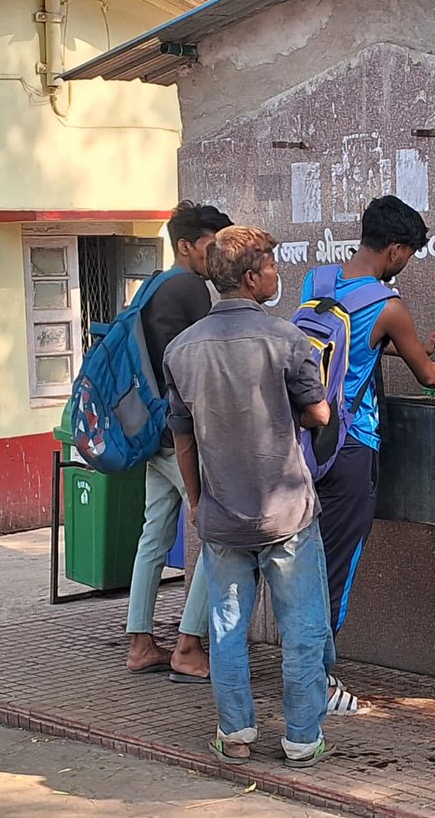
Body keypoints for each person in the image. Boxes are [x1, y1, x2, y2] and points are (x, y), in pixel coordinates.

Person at [164, 226, 334, 767]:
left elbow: (183, 438)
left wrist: (196, 500)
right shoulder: (287, 339)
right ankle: (302, 737)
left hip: (221, 515)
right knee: (302, 628)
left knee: (227, 629)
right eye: (271, 267)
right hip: (286, 512)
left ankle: (235, 734)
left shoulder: (182, 349)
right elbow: (319, 414)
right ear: (252, 276)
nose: (277, 276)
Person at [300, 195, 435, 715]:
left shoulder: (316, 284)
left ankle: (298, 669)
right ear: (393, 249)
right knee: (336, 569)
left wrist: (406, 341)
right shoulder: (389, 306)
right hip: (350, 452)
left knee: (302, 562)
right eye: (407, 254)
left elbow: (346, 348)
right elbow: (428, 375)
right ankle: (317, 682)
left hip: (303, 445)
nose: (405, 263)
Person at [125, 202, 232, 679]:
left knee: (154, 536)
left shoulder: (152, 285)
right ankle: (188, 646)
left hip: (151, 431)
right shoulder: (189, 288)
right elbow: (197, 367)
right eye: (212, 247)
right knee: (218, 535)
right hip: (179, 435)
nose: (218, 258)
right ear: (186, 246)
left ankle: (140, 641)